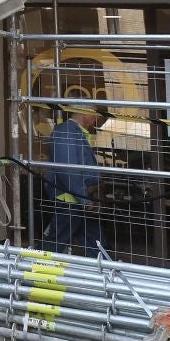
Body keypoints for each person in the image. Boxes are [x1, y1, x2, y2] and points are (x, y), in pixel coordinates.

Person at [43, 105, 107, 255]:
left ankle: (103, 271)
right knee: (58, 242)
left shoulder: (72, 132)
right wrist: (84, 200)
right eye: (94, 114)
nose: (96, 118)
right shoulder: (66, 131)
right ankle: (41, 271)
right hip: (72, 201)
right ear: (84, 113)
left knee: (95, 241)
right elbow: (68, 169)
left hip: (77, 200)